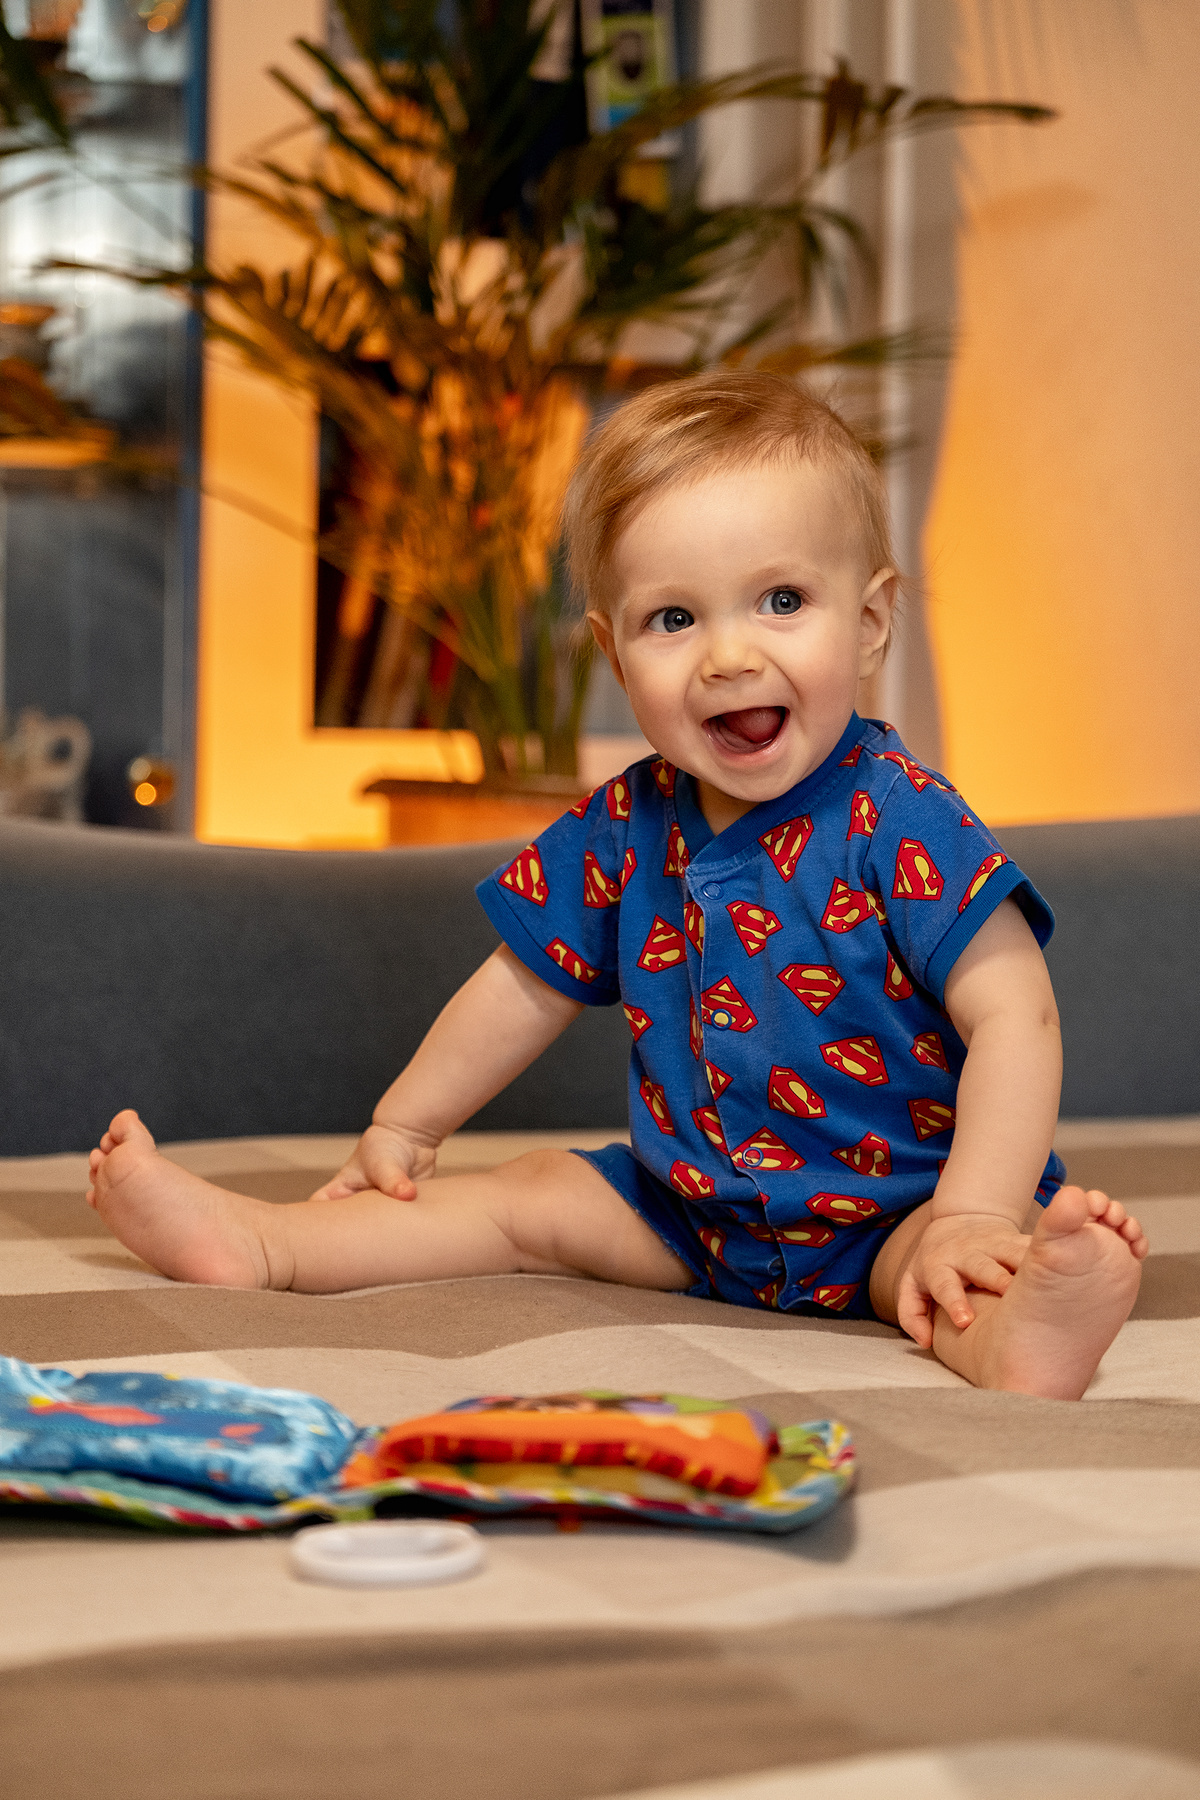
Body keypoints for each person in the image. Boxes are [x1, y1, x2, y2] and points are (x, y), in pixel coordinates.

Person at [87, 371, 1147, 1400]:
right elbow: (520, 987)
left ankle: (1015, 1339)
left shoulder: (902, 815)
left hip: (898, 1205)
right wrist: (405, 1127)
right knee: (524, 1198)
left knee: (942, 1286)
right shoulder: (626, 824)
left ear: (869, 621)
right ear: (613, 650)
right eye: (673, 619)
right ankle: (268, 1243)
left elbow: (1018, 1016)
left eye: (782, 601)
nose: (728, 655)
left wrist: (973, 1214)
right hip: (687, 1214)